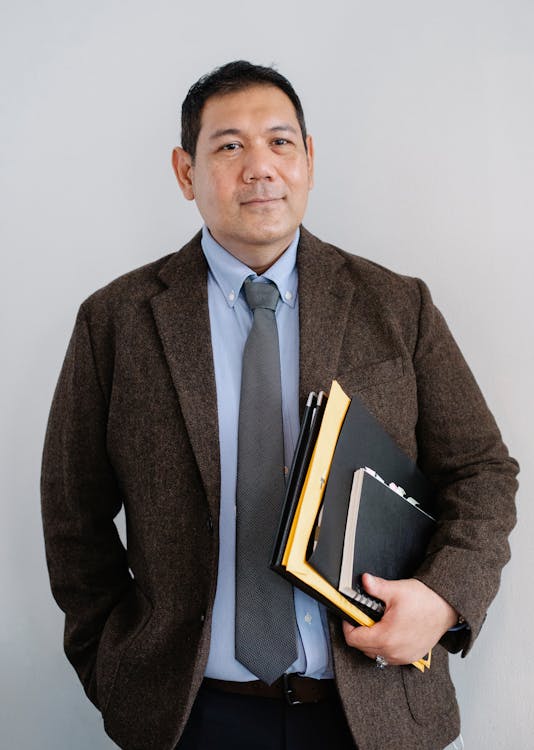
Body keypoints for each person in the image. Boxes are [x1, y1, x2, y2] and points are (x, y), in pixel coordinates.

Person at [41, 61, 518, 750]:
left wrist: (443, 599)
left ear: (310, 160)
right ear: (185, 171)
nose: (260, 167)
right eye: (229, 146)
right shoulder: (115, 323)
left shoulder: (397, 306)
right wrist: (114, 665)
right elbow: (72, 515)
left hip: (375, 714)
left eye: (281, 142)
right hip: (189, 718)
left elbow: (482, 471)